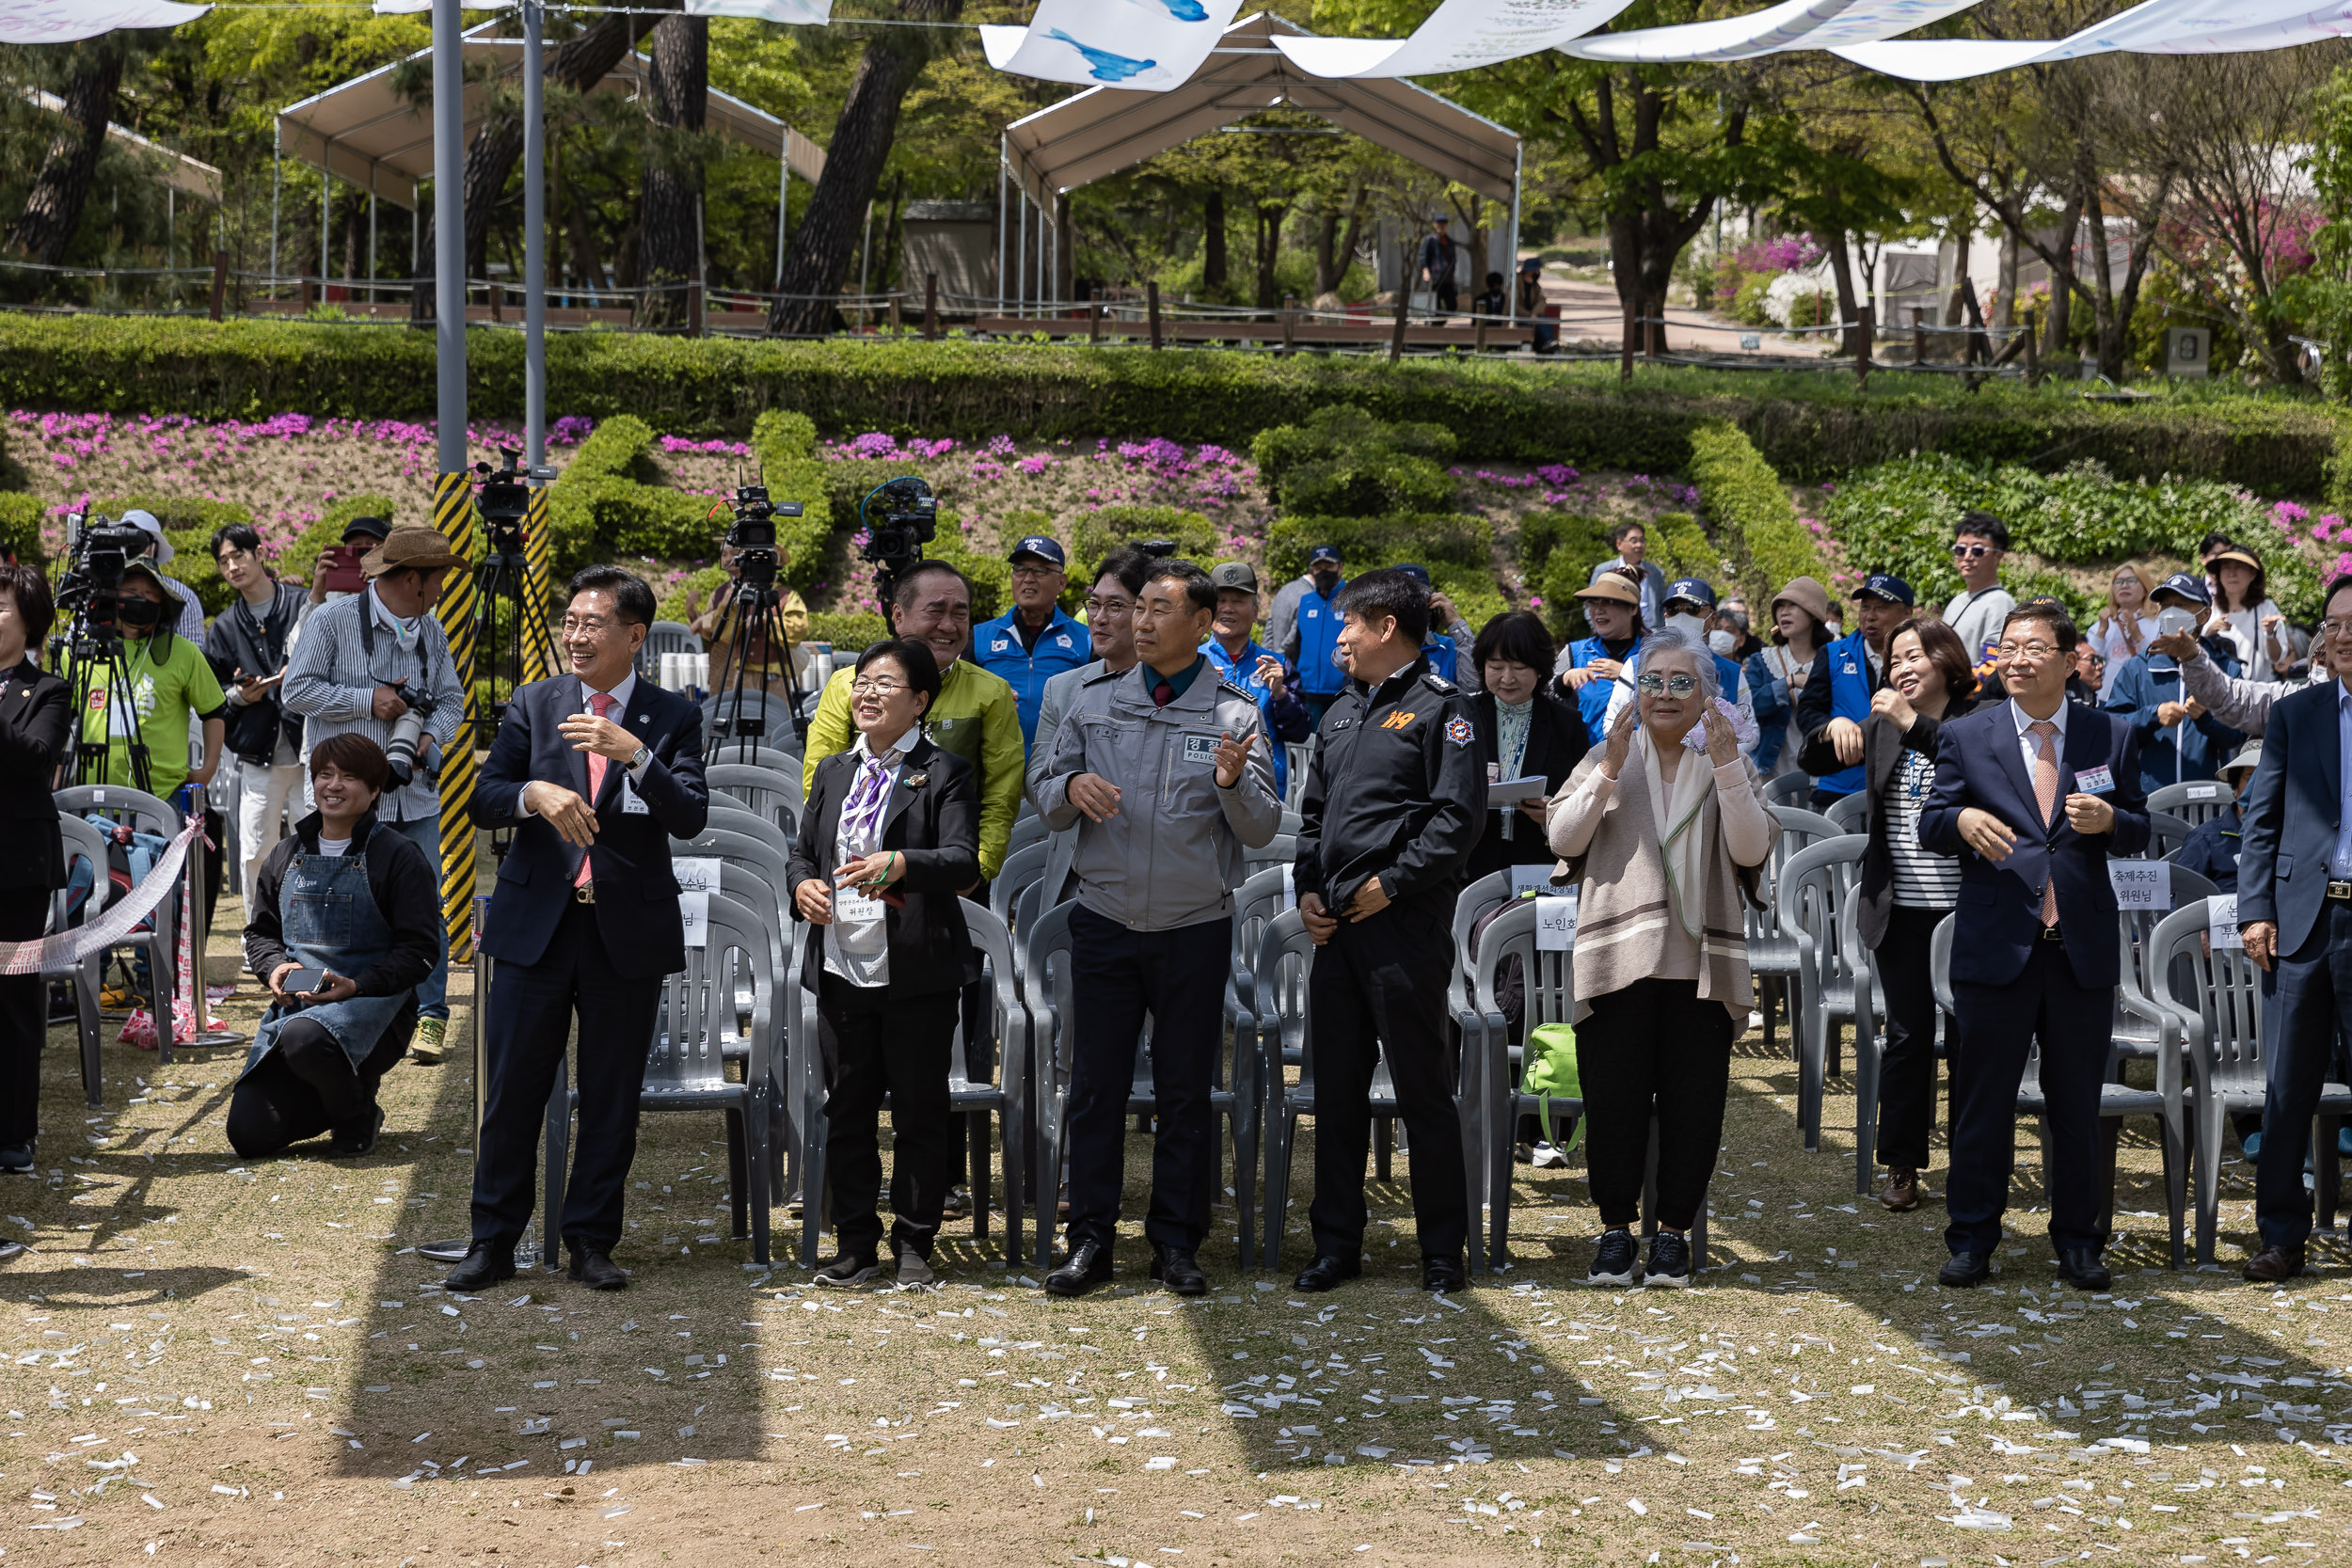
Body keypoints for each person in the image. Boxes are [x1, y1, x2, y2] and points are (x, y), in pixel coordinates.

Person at [448, 565, 709, 1293]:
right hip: (538, 926)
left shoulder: (672, 714)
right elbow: (486, 794)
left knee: (610, 1092)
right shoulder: (536, 702)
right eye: (570, 621)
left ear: (634, 634)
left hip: (624, 928)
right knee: (513, 1090)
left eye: (592, 623)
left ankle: (591, 1238)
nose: (575, 634)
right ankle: (492, 1240)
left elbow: (689, 813)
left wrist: (635, 753)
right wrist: (536, 791)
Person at [1038, 559, 1281, 1298]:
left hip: (1192, 928)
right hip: (1106, 922)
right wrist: (1070, 787)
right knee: (1096, 1088)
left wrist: (1234, 785)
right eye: (1136, 607)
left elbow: (1265, 826)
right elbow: (1044, 795)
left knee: (1183, 1092)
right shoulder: (1094, 701)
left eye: (1157, 610)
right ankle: (1090, 1240)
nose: (1139, 622)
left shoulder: (1235, 715)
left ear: (1202, 624)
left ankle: (1176, 1242)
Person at [1919, 602, 2148, 1291]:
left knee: (2076, 1102)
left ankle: (2080, 1240)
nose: (2018, 658)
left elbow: (2138, 826)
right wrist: (1960, 818)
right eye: (2008, 646)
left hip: (2078, 947)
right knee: (1982, 1101)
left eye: (2034, 647)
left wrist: (2112, 818)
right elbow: (1931, 822)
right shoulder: (1969, 734)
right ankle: (1972, 1238)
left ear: (2071, 657)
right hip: (1997, 944)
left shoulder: (2112, 732)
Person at [1546, 627, 1777, 1286]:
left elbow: (1753, 848)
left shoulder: (1724, 758)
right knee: (1613, 1101)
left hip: (1700, 968)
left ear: (1707, 694)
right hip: (1620, 960)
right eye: (1653, 681)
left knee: (1694, 1105)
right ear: (1635, 690)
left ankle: (1673, 1232)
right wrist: (1610, 768)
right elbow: (1563, 833)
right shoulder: (1606, 754)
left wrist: (1731, 768)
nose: (1666, 695)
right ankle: (1615, 1231)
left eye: (1682, 683)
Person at [1290, 568, 1483, 1295]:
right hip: (1335, 932)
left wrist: (1391, 882)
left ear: (1387, 629)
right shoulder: (1338, 714)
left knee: (1422, 1089)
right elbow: (1312, 819)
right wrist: (1308, 890)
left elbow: (1456, 819)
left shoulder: (1444, 709)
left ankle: (1441, 1249)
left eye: (1349, 624)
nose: (1338, 636)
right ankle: (1336, 1244)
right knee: (1336, 1093)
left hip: (1402, 928)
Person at [790, 639, 980, 1291]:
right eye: (861, 682)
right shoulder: (835, 772)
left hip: (917, 967)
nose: (867, 694)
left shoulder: (945, 770)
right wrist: (801, 887)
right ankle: (854, 1243)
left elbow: (963, 860)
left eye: (885, 684)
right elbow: (802, 853)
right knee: (847, 1108)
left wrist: (900, 863)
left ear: (920, 700)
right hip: (843, 962)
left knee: (920, 1111)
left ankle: (915, 1242)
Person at [280, 526, 467, 1065]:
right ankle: (317, 1004)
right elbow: (296, 691)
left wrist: (431, 736)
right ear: (413, 579)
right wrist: (372, 701)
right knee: (329, 908)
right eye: (439, 579)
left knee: (425, 908)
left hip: (414, 800)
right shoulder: (332, 619)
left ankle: (430, 1016)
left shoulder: (431, 630)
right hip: (345, 801)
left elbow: (451, 701)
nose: (442, 590)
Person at [228, 734, 438, 1160]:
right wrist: (274, 969)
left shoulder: (399, 857)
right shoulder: (286, 854)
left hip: (375, 1008)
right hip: (296, 1010)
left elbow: (419, 951)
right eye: (325, 775)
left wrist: (356, 985)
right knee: (248, 1135)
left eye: (349, 777)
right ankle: (342, 1093)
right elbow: (261, 934)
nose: (334, 785)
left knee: (307, 1039)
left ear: (376, 789)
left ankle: (355, 1115)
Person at [2233, 578, 2352, 1283]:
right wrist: (2256, 908)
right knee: (2287, 1089)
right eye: (2332, 624)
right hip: (2303, 920)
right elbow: (2262, 820)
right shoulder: (2296, 713)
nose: (2341, 635)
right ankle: (2282, 1234)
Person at [1852, 617, 1977, 1214]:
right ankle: (1901, 1165)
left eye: (1913, 656)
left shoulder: (1982, 719)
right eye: (1893, 659)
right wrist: (1835, 729)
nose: (1900, 668)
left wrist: (1912, 724)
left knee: (1970, 1041)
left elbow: (1977, 769)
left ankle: (1971, 1164)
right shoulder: (1883, 726)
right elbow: (1811, 753)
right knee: (1907, 1036)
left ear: (1946, 660)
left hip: (1969, 909)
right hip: (1900, 908)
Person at [805, 562, 1024, 883]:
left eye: (960, 614)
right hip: (855, 873)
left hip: (949, 875)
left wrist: (977, 870)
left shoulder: (990, 692)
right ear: (898, 616)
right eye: (935, 612)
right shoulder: (847, 685)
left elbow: (1001, 794)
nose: (948, 626)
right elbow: (819, 783)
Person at [1028, 548, 1152, 907]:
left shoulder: (1182, 689)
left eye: (1115, 607)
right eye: (1093, 604)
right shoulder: (1063, 688)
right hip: (1078, 879)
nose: (1098, 618)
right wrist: (1070, 786)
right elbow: (1038, 780)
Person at [0, 565, 70, 1172]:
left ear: (28, 620)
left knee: (12, 996)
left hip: (15, 866)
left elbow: (36, 761)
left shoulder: (46, 689)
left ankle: (15, 1130)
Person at [62, 559, 224, 810]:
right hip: (89, 794)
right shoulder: (81, 650)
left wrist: (209, 768)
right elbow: (61, 714)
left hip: (163, 796)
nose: (141, 598)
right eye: (132, 591)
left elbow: (213, 711)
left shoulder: (183, 652)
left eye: (150, 594)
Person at [205, 523, 309, 895]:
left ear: (259, 554)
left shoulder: (303, 604)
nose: (232, 566)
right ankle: (256, 947)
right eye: (224, 561)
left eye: (238, 555)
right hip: (257, 753)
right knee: (254, 852)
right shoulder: (225, 627)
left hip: (311, 750)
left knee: (312, 849)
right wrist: (238, 695)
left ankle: (308, 939)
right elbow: (210, 691)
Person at [1463, 610, 1587, 883]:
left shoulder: (1566, 725)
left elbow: (1583, 799)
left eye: (1519, 668)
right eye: (1496, 667)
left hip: (1540, 865)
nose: (1507, 678)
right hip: (1471, 865)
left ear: (1540, 668)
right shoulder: (1462, 718)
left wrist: (1554, 814)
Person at [2104, 573, 2245, 793]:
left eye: (2180, 605)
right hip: (2151, 801)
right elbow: (2112, 729)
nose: (2171, 612)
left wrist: (2206, 719)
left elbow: (2237, 734)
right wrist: (2152, 715)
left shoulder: (2227, 670)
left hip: (2208, 800)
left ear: (2204, 614)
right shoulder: (2137, 669)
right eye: (2166, 605)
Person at [1797, 574, 1912, 808]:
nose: (1870, 616)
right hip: (1839, 788)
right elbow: (1807, 710)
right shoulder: (1832, 654)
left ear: (1906, 613)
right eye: (1865, 608)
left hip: (1902, 789)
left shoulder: (1920, 661)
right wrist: (1830, 726)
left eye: (1881, 608)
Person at [1200, 561, 1311, 800]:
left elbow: (1300, 732)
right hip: (1201, 787)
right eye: (1221, 600)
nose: (1227, 608)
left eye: (1238, 601)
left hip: (1262, 788)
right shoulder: (1191, 661)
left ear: (1255, 611)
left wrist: (1280, 694)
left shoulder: (1277, 664)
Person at [970, 534, 1090, 750]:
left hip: (1058, 768)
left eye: (1040, 570)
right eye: (1020, 569)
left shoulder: (1085, 639)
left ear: (1062, 582)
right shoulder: (981, 636)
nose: (1028, 578)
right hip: (996, 768)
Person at [1602, 577, 1756, 744]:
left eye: (1692, 609)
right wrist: (1642, 757)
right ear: (1666, 615)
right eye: (1674, 608)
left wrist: (1715, 758)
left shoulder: (1732, 672)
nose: (1682, 615)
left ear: (1712, 618)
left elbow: (1750, 732)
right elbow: (1613, 722)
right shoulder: (1635, 665)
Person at [683, 535, 813, 710]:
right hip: (742, 675)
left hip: (775, 676)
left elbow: (797, 629)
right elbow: (721, 633)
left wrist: (766, 622)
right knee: (740, 721)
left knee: (776, 722)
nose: (762, 566)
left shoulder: (787, 596)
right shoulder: (739, 595)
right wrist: (728, 610)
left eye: (768, 560)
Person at [1747, 577, 1831, 780]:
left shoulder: (1834, 661)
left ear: (1813, 614)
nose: (1784, 612)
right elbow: (1748, 708)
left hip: (1822, 773)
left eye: (1793, 605)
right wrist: (1788, 682)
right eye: (1780, 606)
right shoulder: (1763, 660)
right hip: (1771, 771)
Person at [1554, 567, 1644, 747]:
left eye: (1608, 602)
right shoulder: (1574, 652)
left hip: (1640, 759)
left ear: (1633, 608)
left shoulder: (1654, 653)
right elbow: (1543, 699)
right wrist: (1562, 681)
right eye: (1593, 603)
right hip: (1586, 763)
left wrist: (1629, 676)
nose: (1598, 610)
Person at [2174, 739, 2260, 893]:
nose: (2260, 784)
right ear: (2236, 787)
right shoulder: (2204, 838)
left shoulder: (2292, 836)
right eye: (2250, 777)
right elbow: (2180, 897)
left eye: (2268, 776)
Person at [1279, 544, 1349, 729]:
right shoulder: (1306, 601)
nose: (1323, 571)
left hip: (1342, 691)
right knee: (1309, 750)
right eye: (1318, 567)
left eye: (1329, 566)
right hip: (1307, 692)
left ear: (1340, 567)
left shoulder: (1352, 598)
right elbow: (1296, 644)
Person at [1937, 512, 2016, 670]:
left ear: (1998, 556)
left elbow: (1993, 662)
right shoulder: (1956, 601)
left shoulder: (1999, 602)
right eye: (1960, 550)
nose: (1967, 556)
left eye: (1977, 551)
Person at [117, 509, 206, 642]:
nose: (130, 548)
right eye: (124, 542)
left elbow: (193, 649)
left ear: (155, 547)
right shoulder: (102, 587)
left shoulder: (183, 595)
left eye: (138, 541)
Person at [1392, 564, 1482, 694]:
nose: (1411, 611)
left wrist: (1456, 623)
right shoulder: (1376, 649)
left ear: (1432, 604)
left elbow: (1474, 687)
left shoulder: (1449, 648)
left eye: (1418, 602)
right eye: (1402, 603)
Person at [2208, 546, 2289, 683]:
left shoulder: (2266, 608)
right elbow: (2194, 649)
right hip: (2216, 692)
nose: (2232, 573)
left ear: (2252, 574)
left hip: (2255, 694)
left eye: (2239, 567)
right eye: (2226, 567)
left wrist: (2270, 633)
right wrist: (2211, 630)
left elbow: (2277, 657)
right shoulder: (2209, 608)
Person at [2090, 564, 2159, 700]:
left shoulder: (2158, 624)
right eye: (2118, 582)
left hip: (2144, 699)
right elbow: (2090, 666)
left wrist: (2138, 637)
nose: (2124, 586)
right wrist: (2101, 633)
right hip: (2106, 700)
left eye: (2131, 580)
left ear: (2146, 589)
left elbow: (2158, 664)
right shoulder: (2099, 626)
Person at [1265, 543, 1336, 667]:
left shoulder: (1285, 588)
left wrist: (1268, 656)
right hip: (1289, 665)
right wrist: (1278, 658)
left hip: (1275, 659)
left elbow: (1269, 626)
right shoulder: (1308, 597)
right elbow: (1294, 636)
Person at [1587, 521, 1667, 629]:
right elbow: (1590, 603)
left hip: (1651, 634)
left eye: (1642, 541)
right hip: (1614, 632)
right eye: (1633, 541)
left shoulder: (1656, 572)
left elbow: (1663, 605)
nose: (1639, 545)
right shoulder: (1603, 570)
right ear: (1619, 544)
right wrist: (1600, 629)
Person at [1417, 216, 1459, 317]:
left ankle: (1442, 322)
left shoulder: (1450, 242)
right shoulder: (1430, 240)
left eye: (1444, 224)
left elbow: (1453, 260)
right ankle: (1437, 327)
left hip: (1448, 278)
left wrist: (1453, 277)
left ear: (1446, 225)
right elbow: (1423, 256)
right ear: (1435, 225)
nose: (1441, 226)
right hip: (1435, 278)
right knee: (1435, 305)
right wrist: (1425, 270)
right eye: (1439, 224)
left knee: (1452, 304)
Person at [1514, 257, 1557, 353]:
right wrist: (1529, 315)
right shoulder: (1515, 285)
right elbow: (1513, 306)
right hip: (1518, 318)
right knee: (1534, 325)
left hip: (1532, 318)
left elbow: (1541, 301)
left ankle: (1548, 343)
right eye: (1536, 270)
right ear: (1528, 271)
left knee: (1546, 320)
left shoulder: (1535, 286)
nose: (1538, 273)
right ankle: (1544, 344)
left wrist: (1534, 314)